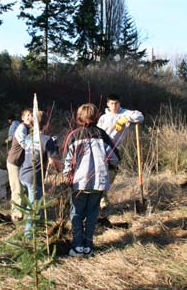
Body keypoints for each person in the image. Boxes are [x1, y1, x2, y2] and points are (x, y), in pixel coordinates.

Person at [63, 103, 119, 257]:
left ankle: (77, 246)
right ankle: (88, 245)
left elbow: (67, 161)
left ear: (79, 117)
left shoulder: (74, 135)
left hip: (79, 183)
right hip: (98, 182)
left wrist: (67, 176)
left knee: (76, 213)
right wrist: (111, 167)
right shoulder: (103, 135)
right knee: (92, 214)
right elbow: (115, 158)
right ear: (95, 117)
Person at [96, 94, 144, 209]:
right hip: (103, 148)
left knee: (111, 174)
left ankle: (103, 195)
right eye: (112, 103)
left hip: (116, 149)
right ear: (108, 104)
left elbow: (140, 117)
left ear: (119, 103)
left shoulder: (125, 113)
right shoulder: (103, 117)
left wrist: (125, 119)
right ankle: (102, 199)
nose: (114, 106)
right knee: (102, 173)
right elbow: (97, 132)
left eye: (116, 103)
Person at [19, 111, 62, 237]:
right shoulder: (47, 140)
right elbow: (53, 160)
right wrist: (60, 167)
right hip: (34, 177)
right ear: (46, 124)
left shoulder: (29, 137)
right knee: (34, 208)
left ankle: (36, 230)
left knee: (35, 204)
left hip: (23, 174)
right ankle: (29, 238)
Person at [7, 108, 33, 222]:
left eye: (31, 115)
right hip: (14, 162)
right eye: (27, 115)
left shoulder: (31, 129)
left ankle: (23, 213)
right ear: (23, 118)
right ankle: (16, 216)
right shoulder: (22, 128)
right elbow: (25, 145)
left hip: (23, 163)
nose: (29, 117)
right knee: (17, 189)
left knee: (23, 188)